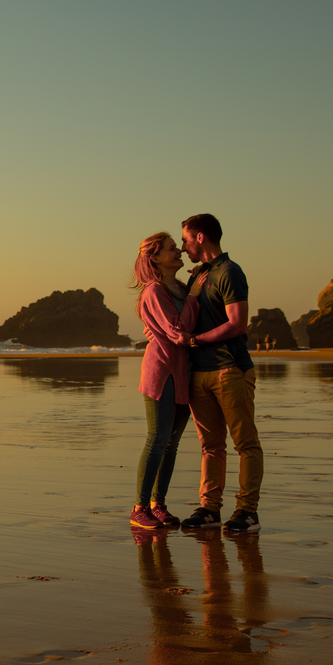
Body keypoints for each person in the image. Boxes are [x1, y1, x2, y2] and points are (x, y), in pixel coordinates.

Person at [177, 214, 264, 533]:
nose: (184, 247)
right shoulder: (199, 274)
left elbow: (237, 324)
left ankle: (247, 511)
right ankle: (210, 509)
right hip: (199, 373)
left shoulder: (230, 271)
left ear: (200, 237)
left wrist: (196, 340)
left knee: (245, 443)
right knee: (210, 446)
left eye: (185, 240)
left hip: (231, 370)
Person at [129, 233, 200, 529]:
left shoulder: (182, 288)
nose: (179, 251)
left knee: (172, 444)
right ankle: (139, 508)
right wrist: (195, 296)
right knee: (157, 440)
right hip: (161, 372)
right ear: (155, 258)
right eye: (172, 249)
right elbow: (178, 331)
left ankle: (159, 505)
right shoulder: (154, 291)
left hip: (184, 371)